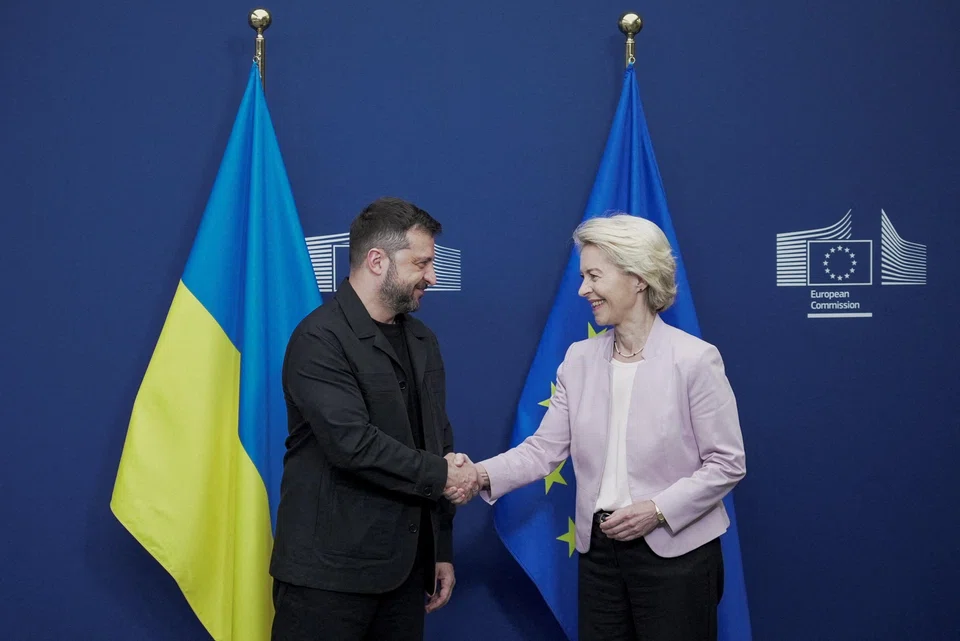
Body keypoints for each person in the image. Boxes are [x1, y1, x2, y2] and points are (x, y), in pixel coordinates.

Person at [452, 213, 746, 641]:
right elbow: (542, 450)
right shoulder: (579, 359)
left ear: (638, 278)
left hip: (677, 552)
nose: (583, 289)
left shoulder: (695, 360)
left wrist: (657, 509)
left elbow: (727, 463)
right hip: (600, 554)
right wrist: (477, 474)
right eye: (583, 277)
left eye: (594, 276)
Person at [269, 197, 480, 641]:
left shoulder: (422, 340)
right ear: (377, 260)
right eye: (421, 263)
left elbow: (437, 439)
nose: (432, 277)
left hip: (406, 574)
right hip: (327, 578)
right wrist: (445, 475)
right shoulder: (319, 338)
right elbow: (353, 444)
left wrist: (440, 547)